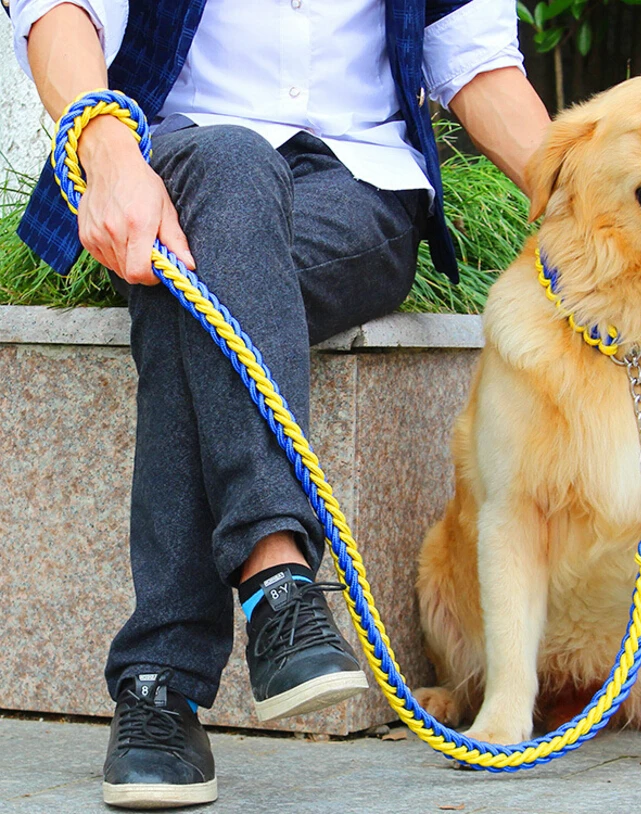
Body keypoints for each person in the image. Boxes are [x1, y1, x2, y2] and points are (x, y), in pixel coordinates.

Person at [7, 0, 551, 807]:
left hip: (358, 187)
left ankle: (160, 688)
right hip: (170, 164)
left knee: (192, 288)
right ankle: (278, 580)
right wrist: (109, 154)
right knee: (224, 171)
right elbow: (62, 8)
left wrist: (593, 201)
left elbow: (474, 60)